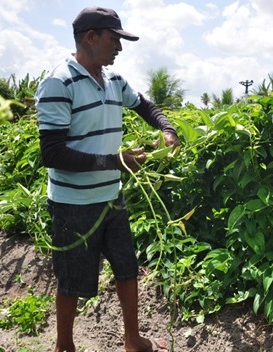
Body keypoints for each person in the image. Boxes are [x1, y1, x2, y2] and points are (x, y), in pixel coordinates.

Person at [35, 6, 179, 352]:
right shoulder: (59, 82)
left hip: (111, 197)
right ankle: (64, 345)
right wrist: (116, 161)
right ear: (91, 37)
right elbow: (52, 154)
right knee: (72, 281)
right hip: (73, 203)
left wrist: (167, 129)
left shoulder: (114, 79)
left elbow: (145, 105)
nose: (120, 47)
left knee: (127, 268)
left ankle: (132, 340)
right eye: (115, 39)